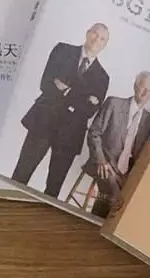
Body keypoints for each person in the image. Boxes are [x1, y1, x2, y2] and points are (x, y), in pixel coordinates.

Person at [12, 23, 110, 198]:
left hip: (70, 135)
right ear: (87, 33)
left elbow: (89, 111)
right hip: (43, 123)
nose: (97, 40)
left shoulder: (103, 77)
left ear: (104, 45)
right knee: (20, 175)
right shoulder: (62, 50)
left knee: (53, 190)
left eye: (102, 39)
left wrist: (66, 90)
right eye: (95, 34)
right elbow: (46, 84)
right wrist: (82, 98)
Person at [84, 70, 150, 218]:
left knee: (134, 199)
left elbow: (142, 155)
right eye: (143, 88)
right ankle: (95, 222)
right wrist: (101, 160)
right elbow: (94, 133)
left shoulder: (149, 121)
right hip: (104, 163)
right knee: (115, 195)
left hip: (126, 174)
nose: (145, 94)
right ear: (135, 86)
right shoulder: (114, 104)